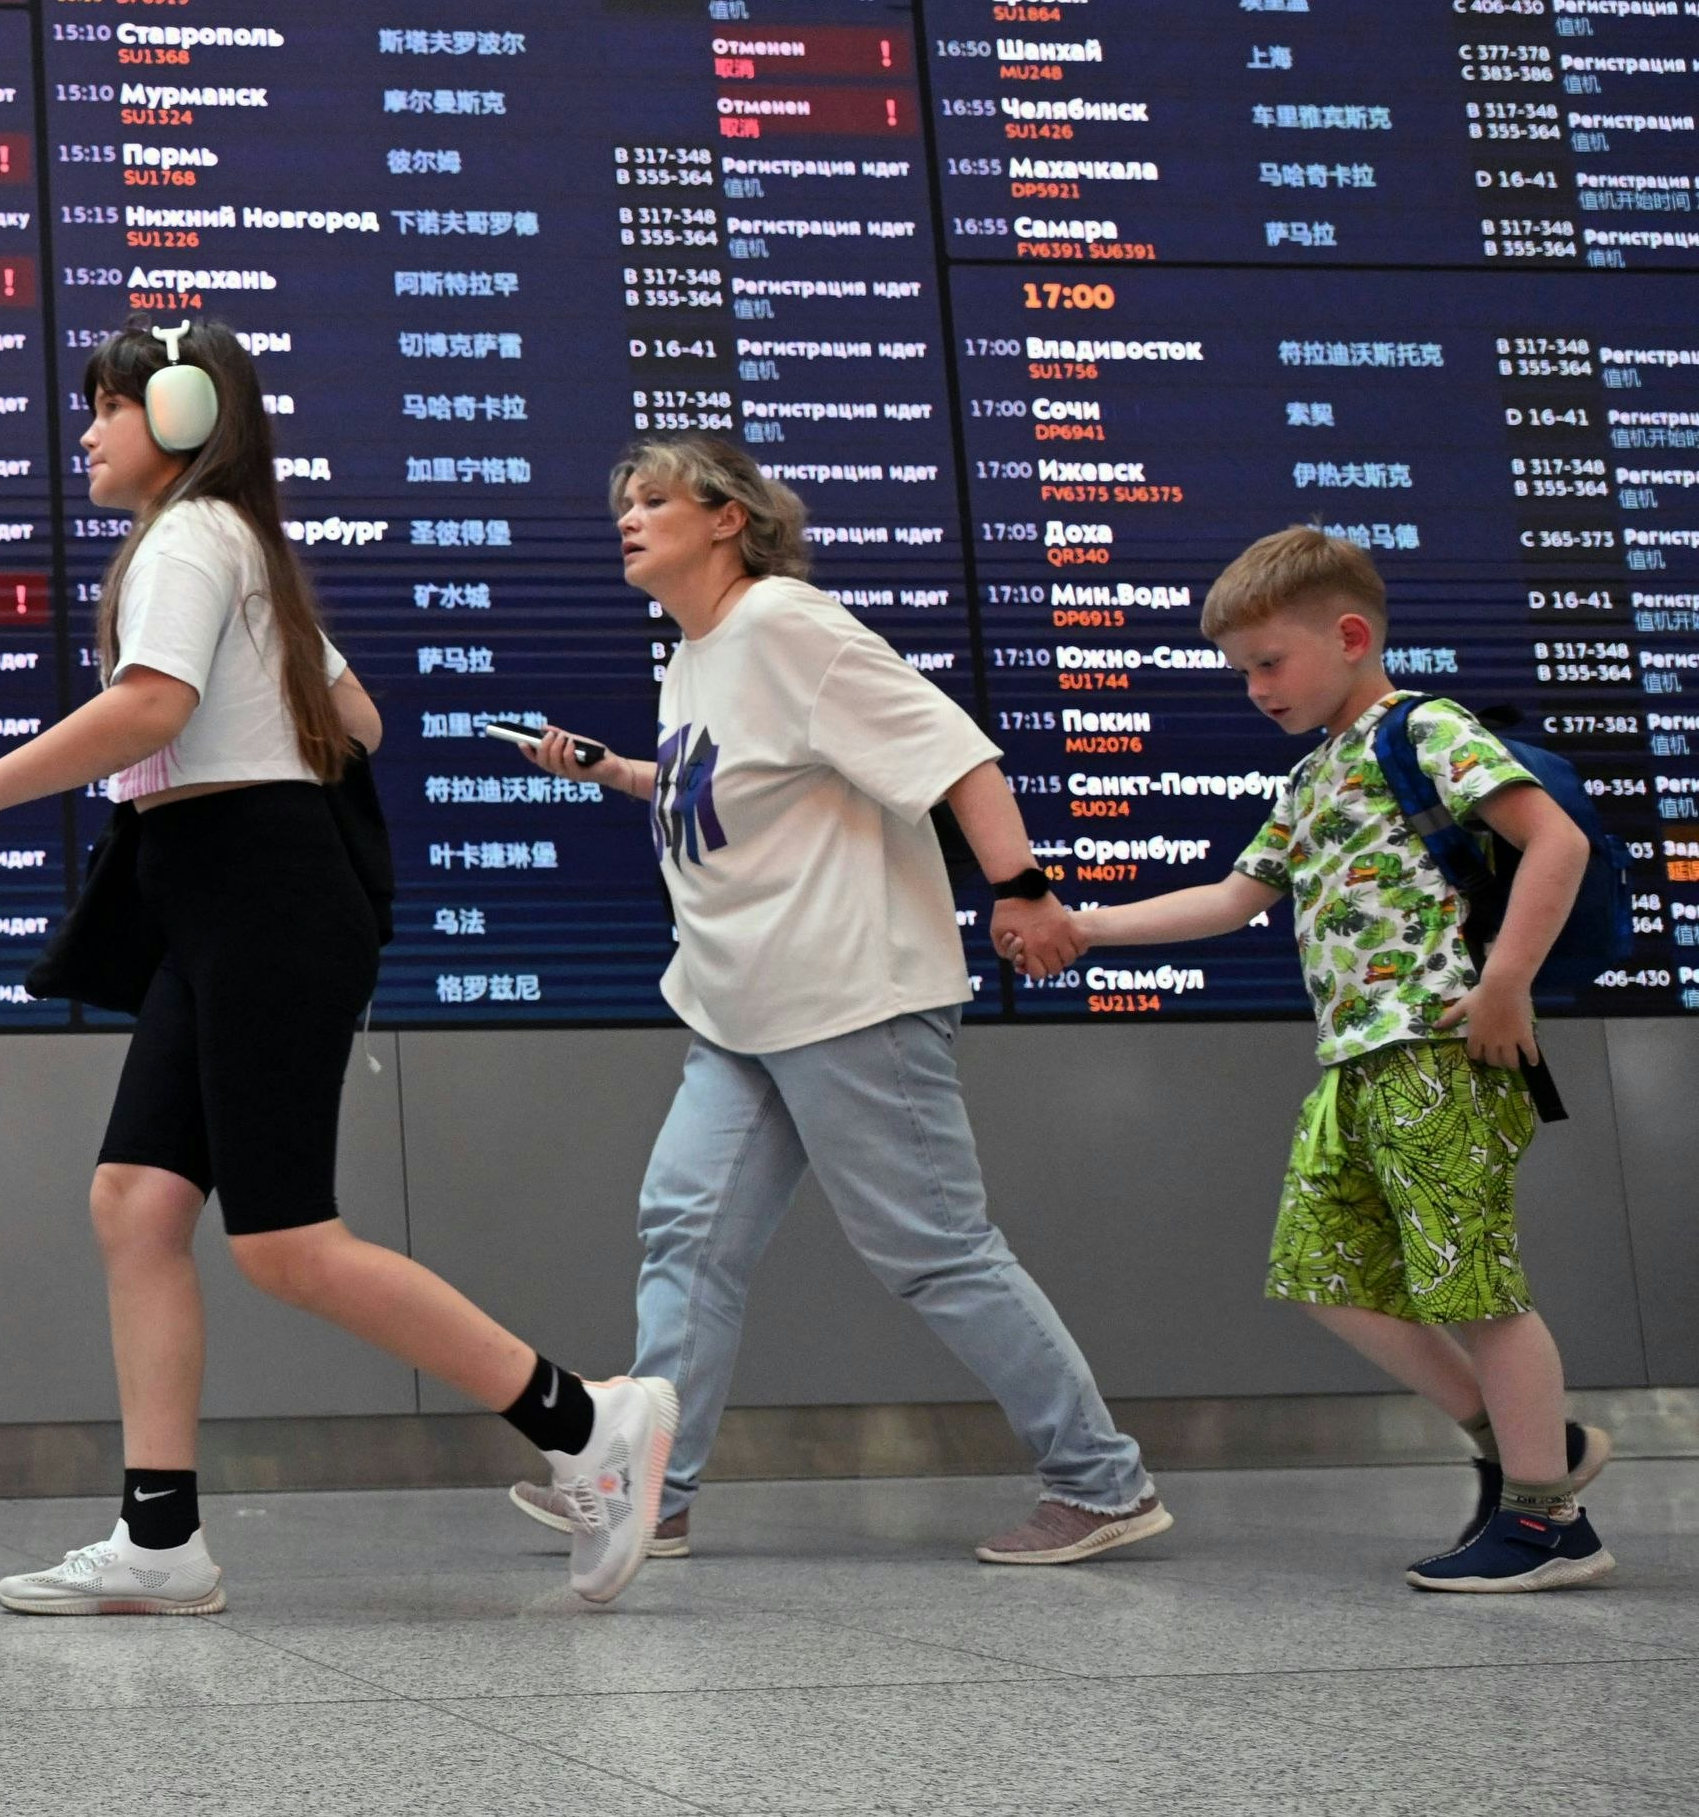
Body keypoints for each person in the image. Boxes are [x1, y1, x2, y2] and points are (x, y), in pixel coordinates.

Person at [0, 321, 680, 1610]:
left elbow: (152, 705)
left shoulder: (191, 539)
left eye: (103, 406)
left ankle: (587, 1422)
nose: (86, 431)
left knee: (284, 1241)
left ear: (173, 412)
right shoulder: (240, 550)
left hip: (255, 892)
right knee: (136, 1203)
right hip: (225, 889)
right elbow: (361, 720)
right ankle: (159, 1542)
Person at [502, 435, 1170, 1566]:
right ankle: (651, 1492)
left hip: (848, 994)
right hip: (739, 1007)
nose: (628, 516)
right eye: (623, 501)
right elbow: (723, 789)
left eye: (654, 498)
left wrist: (1022, 890)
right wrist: (610, 772)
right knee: (686, 1236)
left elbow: (957, 758)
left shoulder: (787, 626)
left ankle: (1102, 1483)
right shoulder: (695, 652)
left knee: (934, 1250)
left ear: (727, 519)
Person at [1045, 528, 1615, 1591]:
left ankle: (1549, 1522)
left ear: (1349, 636)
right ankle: (1527, 1446)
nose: (1255, 688)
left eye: (1269, 663)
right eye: (1241, 671)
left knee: (1475, 1289)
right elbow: (1230, 898)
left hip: (1438, 1053)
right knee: (1320, 1274)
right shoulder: (1313, 778)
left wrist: (1503, 985)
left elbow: (1557, 842)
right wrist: (1087, 927)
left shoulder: (1424, 731)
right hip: (1355, 1065)